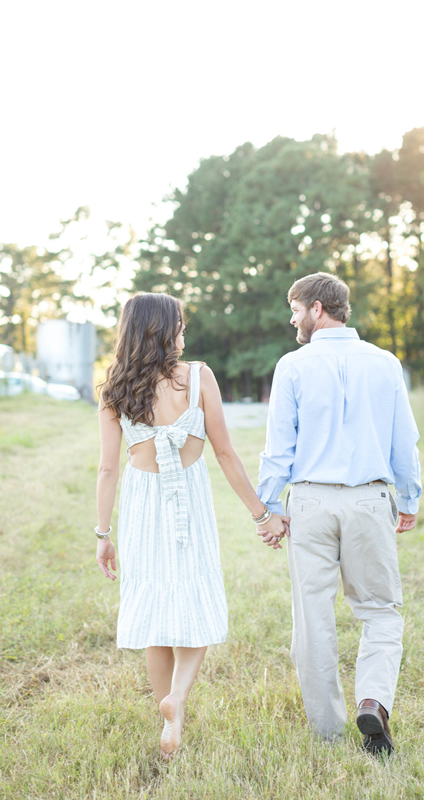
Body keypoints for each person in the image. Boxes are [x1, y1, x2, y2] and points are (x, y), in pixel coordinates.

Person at [95, 292, 288, 760]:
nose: (184, 333)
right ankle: (176, 698)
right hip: (189, 498)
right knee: (198, 597)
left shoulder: (115, 387)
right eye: (179, 325)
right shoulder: (198, 377)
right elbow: (224, 453)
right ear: (163, 329)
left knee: (155, 612)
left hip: (141, 504)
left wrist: (103, 535)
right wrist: (262, 514)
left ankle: (172, 719)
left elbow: (107, 469)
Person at [256, 272, 422, 755]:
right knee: (381, 611)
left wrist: (269, 507)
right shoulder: (385, 363)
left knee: (313, 617)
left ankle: (327, 732)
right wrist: (408, 499)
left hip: (309, 501)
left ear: (317, 309)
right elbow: (404, 441)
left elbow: (277, 449)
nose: (292, 319)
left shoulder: (292, 366)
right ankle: (372, 699)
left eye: (295, 309)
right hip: (370, 500)